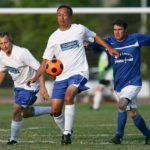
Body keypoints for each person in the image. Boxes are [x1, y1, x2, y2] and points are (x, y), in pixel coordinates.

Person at [27, 5, 119, 145]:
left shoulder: (79, 29)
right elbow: (45, 62)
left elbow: (95, 37)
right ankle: (66, 129)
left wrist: (110, 48)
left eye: (64, 15)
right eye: (59, 15)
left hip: (79, 72)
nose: (62, 17)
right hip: (61, 77)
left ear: (70, 16)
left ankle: (67, 134)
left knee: (69, 96)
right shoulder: (53, 37)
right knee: (56, 110)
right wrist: (34, 78)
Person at [91, 19, 150, 145]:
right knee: (133, 113)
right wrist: (85, 43)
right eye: (115, 30)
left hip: (134, 82)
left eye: (120, 29)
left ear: (125, 30)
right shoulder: (108, 42)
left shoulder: (136, 39)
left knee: (121, 104)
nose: (117, 32)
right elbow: (92, 44)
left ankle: (118, 136)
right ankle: (148, 135)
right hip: (119, 85)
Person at [0, 32, 51, 145]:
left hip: (30, 86)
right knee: (24, 113)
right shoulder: (1, 55)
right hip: (18, 87)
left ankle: (13, 139)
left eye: (6, 42)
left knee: (16, 109)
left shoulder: (22, 53)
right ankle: (52, 110)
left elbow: (40, 68)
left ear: (11, 41)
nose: (4, 46)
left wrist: (43, 88)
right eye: (1, 43)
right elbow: (2, 71)